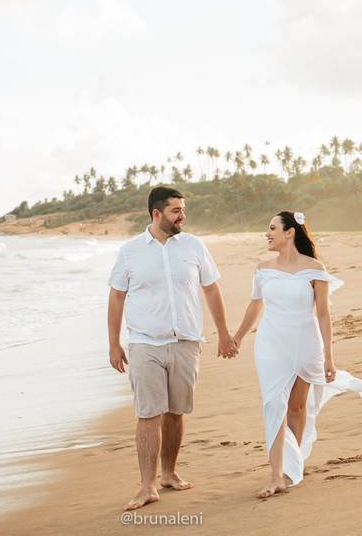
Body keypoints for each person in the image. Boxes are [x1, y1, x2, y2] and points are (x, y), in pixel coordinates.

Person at [107, 186, 238, 511]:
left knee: (175, 412)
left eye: (183, 209)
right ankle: (146, 485)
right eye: (176, 210)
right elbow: (116, 297)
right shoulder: (130, 251)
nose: (183, 215)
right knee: (148, 413)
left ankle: (168, 473)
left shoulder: (194, 246)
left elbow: (211, 289)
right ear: (157, 214)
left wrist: (223, 332)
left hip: (186, 341)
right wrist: (113, 343)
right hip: (144, 343)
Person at [233, 210, 362, 498]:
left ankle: (290, 468)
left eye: (272, 228)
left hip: (306, 343)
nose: (267, 233)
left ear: (290, 232)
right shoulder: (263, 267)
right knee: (273, 404)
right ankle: (275, 476)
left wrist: (329, 358)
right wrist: (236, 337)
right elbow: (254, 306)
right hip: (271, 344)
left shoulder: (315, 269)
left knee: (296, 408)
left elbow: (323, 314)